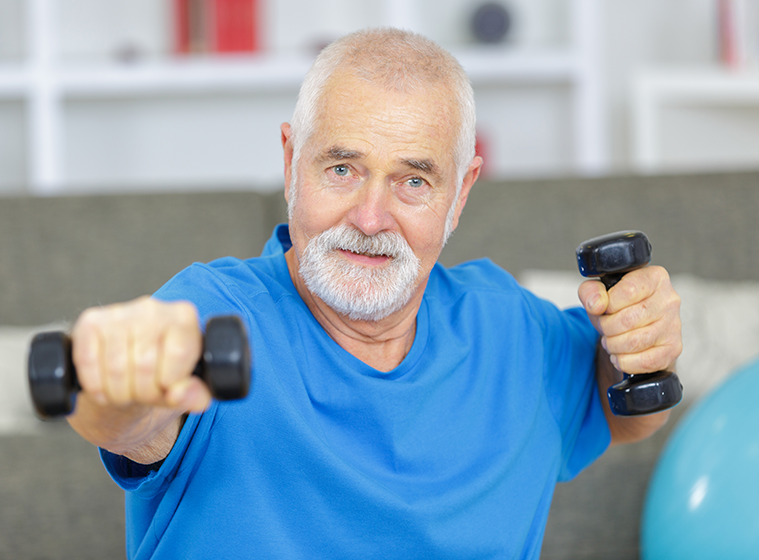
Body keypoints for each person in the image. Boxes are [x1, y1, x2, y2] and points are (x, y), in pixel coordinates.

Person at [66, 28, 682, 559]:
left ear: (460, 194)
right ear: (290, 164)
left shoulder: (510, 327)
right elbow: (129, 426)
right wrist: (116, 390)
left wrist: (642, 346)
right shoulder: (213, 314)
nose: (369, 218)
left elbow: (623, 417)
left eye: (413, 180)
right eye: (341, 169)